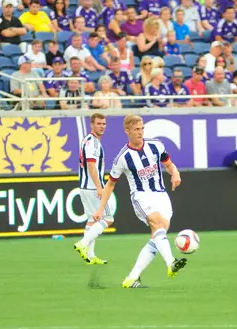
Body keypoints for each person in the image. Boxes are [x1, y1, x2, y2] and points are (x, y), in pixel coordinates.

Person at [91, 115, 187, 288]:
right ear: (127, 131)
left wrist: (175, 173)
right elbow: (110, 184)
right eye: (136, 129)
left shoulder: (156, 145)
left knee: (158, 235)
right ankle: (171, 263)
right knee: (157, 225)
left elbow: (169, 164)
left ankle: (132, 278)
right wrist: (100, 209)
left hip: (161, 195)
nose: (140, 132)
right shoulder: (123, 157)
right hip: (141, 197)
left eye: (142, 128)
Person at [74, 113, 115, 265]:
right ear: (91, 125)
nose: (102, 126)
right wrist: (99, 187)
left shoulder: (87, 140)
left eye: (104, 124)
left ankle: (90, 255)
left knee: (93, 219)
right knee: (108, 219)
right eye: (98, 124)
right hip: (92, 187)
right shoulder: (93, 142)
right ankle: (83, 243)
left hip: (85, 187)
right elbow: (91, 165)